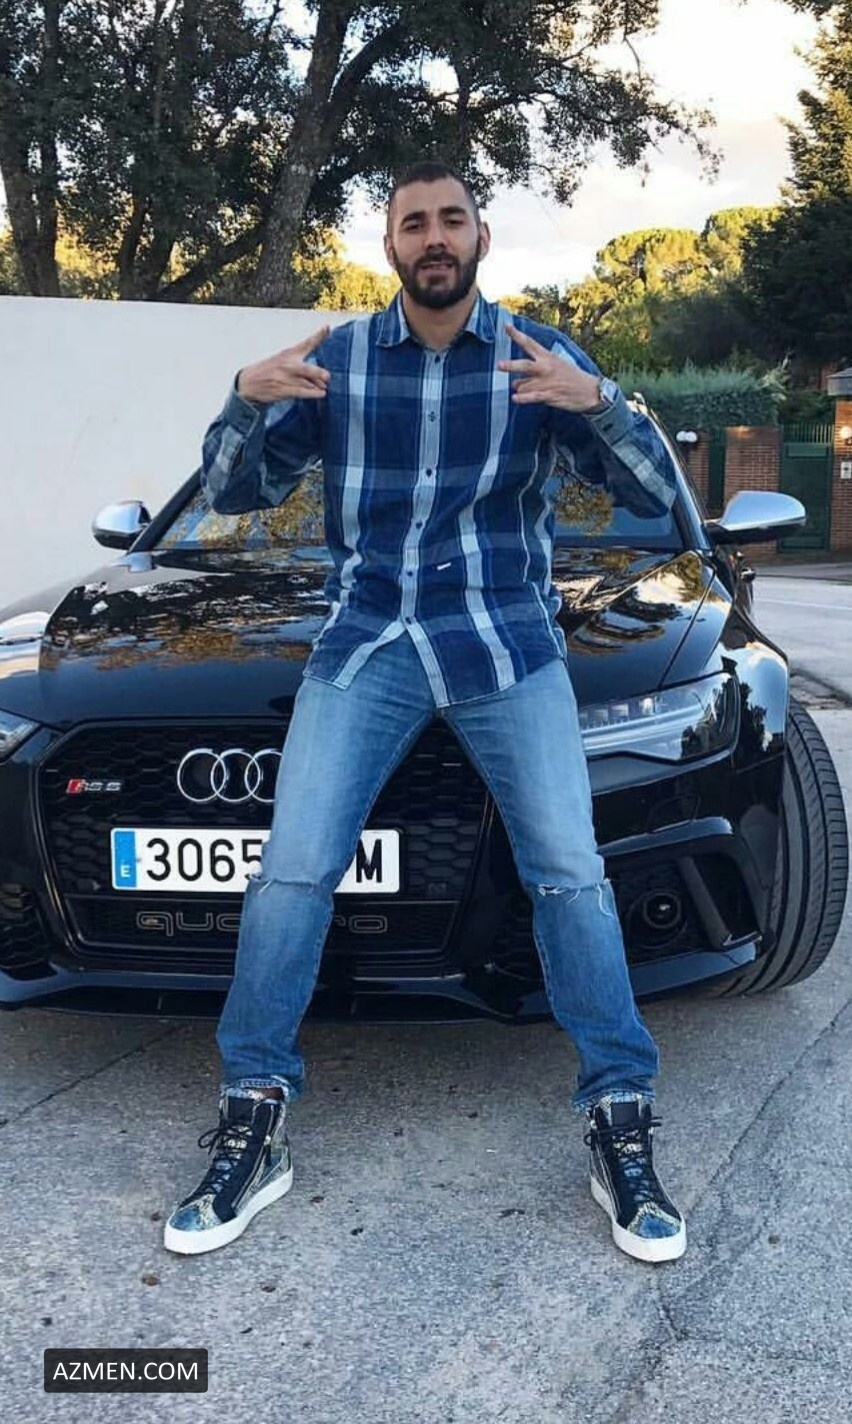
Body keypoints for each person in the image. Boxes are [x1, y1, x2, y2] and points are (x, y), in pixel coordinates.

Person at [163, 160, 686, 1264]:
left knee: (569, 872)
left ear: (482, 238)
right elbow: (234, 495)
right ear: (390, 245)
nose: (434, 237)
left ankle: (620, 1115)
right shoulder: (341, 362)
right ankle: (255, 1111)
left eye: (452, 219)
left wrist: (599, 403)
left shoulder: (539, 358)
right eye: (414, 223)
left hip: (503, 643)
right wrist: (243, 398)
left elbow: (651, 494)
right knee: (291, 871)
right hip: (369, 644)